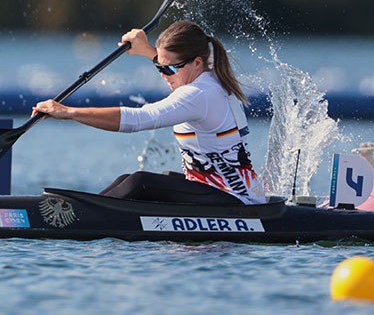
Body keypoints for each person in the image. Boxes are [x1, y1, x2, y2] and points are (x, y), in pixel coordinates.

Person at [32, 21, 265, 205]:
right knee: (126, 180)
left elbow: (138, 119)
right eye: (160, 67)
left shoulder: (198, 94)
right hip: (223, 190)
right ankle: (83, 212)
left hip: (233, 199)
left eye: (168, 68)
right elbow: (174, 68)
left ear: (196, 63)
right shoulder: (209, 76)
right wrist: (147, 51)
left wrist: (69, 112)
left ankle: (74, 217)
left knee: (140, 183)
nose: (163, 74)